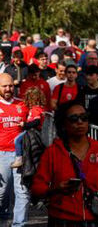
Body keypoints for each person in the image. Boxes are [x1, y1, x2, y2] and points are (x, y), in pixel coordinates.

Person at [31, 101, 98, 226]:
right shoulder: (52, 152)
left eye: (84, 118)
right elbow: (37, 188)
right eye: (73, 119)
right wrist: (57, 189)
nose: (80, 122)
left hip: (95, 219)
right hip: (62, 219)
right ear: (63, 124)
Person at [0, 73, 29, 226]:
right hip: (1, 154)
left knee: (22, 192)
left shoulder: (22, 104)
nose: (8, 89)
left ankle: (19, 224)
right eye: (4, 86)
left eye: (10, 85)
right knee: (2, 191)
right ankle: (3, 216)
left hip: (21, 155)